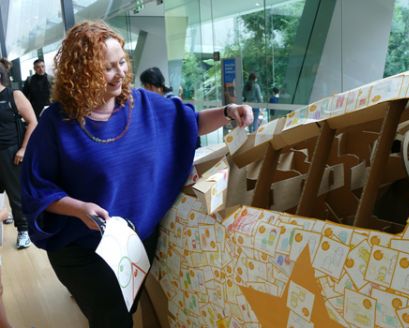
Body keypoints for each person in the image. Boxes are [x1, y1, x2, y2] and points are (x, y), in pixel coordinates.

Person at [20, 21, 252, 327]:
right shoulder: (56, 124)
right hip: (81, 247)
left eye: (122, 63)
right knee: (113, 319)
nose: (120, 73)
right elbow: (37, 187)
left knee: (123, 313)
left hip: (134, 244)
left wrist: (227, 112)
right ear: (81, 72)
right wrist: (78, 208)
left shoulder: (143, 105)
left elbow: (189, 123)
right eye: (107, 68)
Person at [0, 58, 37, 249]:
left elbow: (32, 122)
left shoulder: (14, 95)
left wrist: (23, 149)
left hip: (11, 152)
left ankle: (24, 231)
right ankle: (4, 217)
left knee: (16, 195)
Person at [140, 66, 201, 148]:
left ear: (153, 85)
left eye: (146, 86)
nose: (146, 90)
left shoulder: (172, 102)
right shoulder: (162, 100)